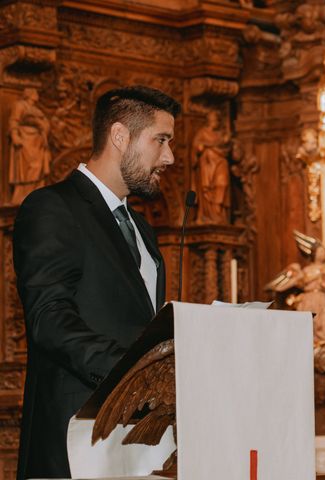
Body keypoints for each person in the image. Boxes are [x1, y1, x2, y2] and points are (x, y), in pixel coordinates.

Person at [12, 85, 181, 480]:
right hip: (78, 435)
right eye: (161, 140)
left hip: (139, 439)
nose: (169, 157)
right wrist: (134, 376)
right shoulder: (52, 207)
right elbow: (49, 319)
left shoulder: (141, 227)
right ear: (120, 137)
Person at [8, 88, 52, 205]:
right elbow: (14, 120)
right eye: (35, 92)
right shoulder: (20, 105)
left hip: (38, 142)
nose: (37, 94)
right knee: (26, 169)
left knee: (38, 169)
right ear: (30, 94)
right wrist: (15, 135)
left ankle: (36, 193)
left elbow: (45, 123)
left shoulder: (36, 110)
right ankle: (22, 196)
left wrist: (44, 127)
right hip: (26, 140)